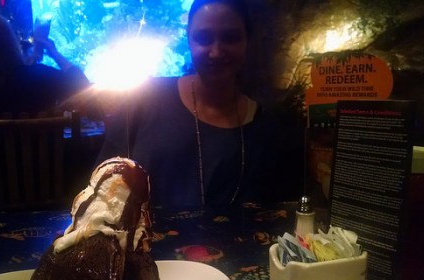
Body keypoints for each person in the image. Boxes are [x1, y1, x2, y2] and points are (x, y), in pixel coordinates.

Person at [96, 0, 298, 212]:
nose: (216, 52)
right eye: (203, 38)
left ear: (248, 41)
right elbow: (100, 189)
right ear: (189, 39)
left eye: (230, 37)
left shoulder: (264, 128)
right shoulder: (144, 99)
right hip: (141, 243)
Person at [0, 11, 90, 120]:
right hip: (44, 152)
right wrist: (54, 53)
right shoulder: (40, 77)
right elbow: (83, 87)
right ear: (11, 41)